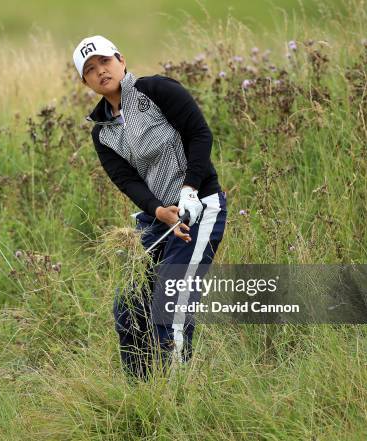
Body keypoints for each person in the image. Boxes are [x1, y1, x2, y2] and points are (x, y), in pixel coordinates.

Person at [73, 35, 227, 379]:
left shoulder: (156, 91)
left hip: (199, 208)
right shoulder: (102, 132)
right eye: (90, 70)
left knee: (169, 307)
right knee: (128, 310)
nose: (101, 72)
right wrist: (158, 210)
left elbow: (200, 134)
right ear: (85, 82)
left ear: (121, 60)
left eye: (105, 62)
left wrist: (189, 189)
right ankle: (142, 398)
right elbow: (126, 180)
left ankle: (176, 399)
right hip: (157, 219)